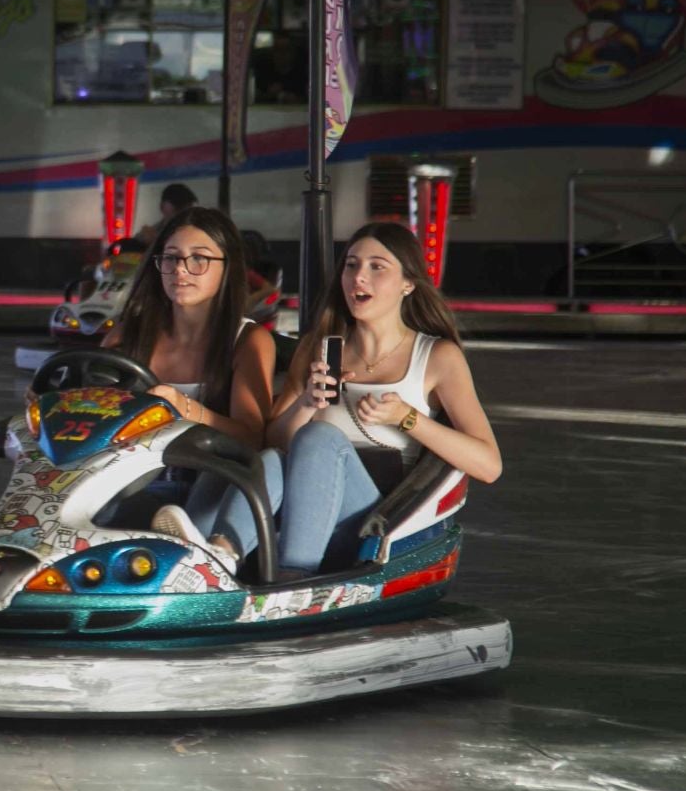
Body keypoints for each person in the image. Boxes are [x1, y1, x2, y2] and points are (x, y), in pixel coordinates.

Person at [169, 221, 502, 575]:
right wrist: (307, 404)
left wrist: (408, 418)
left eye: (377, 267)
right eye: (352, 265)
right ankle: (220, 555)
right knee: (269, 458)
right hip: (301, 509)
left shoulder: (436, 357)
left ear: (408, 283)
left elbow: (488, 465)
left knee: (319, 437)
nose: (359, 276)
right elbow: (272, 440)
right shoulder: (320, 347)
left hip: (373, 521)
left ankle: (295, 573)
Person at [102, 206, 275, 451]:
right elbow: (96, 408)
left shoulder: (248, 340)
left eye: (199, 258)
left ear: (228, 267)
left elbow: (252, 438)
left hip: (207, 475)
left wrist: (185, 409)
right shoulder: (128, 333)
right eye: (171, 257)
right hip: (130, 475)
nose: (180, 269)